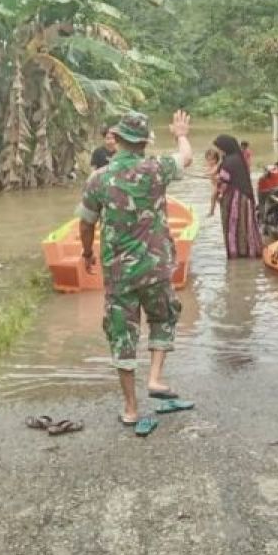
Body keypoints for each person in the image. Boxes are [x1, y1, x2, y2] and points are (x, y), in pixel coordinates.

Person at [79, 111, 194, 427]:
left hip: (119, 272)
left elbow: (86, 223)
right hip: (156, 266)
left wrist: (87, 252)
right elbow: (186, 156)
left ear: (115, 139)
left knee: (122, 335)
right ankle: (155, 377)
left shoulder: (98, 178)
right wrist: (180, 133)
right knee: (164, 316)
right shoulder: (157, 169)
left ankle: (131, 408)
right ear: (144, 142)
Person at [212, 135, 263, 258]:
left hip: (234, 199)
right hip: (245, 198)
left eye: (219, 148)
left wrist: (217, 193)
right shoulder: (239, 159)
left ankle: (236, 256)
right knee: (246, 227)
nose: (219, 151)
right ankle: (249, 253)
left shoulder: (228, 161)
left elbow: (223, 183)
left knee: (233, 227)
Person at [204, 149, 223, 219]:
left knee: (213, 197)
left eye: (212, 160)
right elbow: (208, 172)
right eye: (208, 160)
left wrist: (207, 174)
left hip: (218, 185)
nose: (210, 162)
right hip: (215, 185)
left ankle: (211, 212)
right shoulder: (209, 167)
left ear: (216, 160)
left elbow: (212, 173)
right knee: (217, 199)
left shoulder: (216, 167)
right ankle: (222, 207)